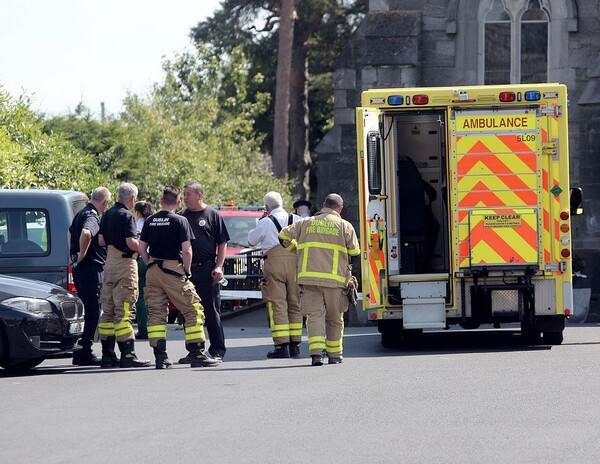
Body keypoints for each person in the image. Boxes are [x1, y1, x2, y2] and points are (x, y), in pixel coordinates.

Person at [138, 185, 218, 369]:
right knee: (193, 309)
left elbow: (141, 248)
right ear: (178, 202)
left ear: (161, 201)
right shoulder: (180, 220)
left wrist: (149, 261)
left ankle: (160, 357)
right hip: (173, 269)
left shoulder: (150, 220)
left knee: (157, 313)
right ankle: (197, 352)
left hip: (153, 270)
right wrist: (187, 271)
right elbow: (187, 250)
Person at [279, 193, 360, 366]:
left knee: (314, 316)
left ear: (323, 204)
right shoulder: (345, 226)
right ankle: (335, 355)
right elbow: (355, 254)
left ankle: (316, 354)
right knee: (334, 318)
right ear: (340, 208)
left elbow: (283, 237)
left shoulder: (305, 222)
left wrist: (297, 250)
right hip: (335, 281)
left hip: (309, 279)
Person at [97, 183, 150, 369]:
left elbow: (101, 240)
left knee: (108, 310)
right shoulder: (127, 215)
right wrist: (143, 247)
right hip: (125, 264)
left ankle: (107, 355)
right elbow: (130, 241)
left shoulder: (107, 214)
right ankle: (128, 354)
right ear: (133, 198)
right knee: (125, 309)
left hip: (109, 263)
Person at [177, 181, 229, 363]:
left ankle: (217, 350)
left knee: (211, 311)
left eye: (188, 195)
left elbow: (222, 243)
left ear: (199, 195)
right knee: (189, 312)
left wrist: (218, 266)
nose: (185, 199)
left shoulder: (212, 215)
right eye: (184, 195)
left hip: (207, 269)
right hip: (187, 270)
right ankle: (194, 350)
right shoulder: (181, 216)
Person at [248, 191, 303, 358]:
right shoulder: (297, 220)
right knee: (295, 303)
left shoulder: (265, 222)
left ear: (266, 207)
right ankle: (295, 345)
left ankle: (282, 346)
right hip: (295, 264)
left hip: (274, 264)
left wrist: (262, 219)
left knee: (277, 304)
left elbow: (251, 241)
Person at [68, 186, 111, 366]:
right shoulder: (92, 216)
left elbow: (70, 232)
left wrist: (73, 254)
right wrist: (82, 255)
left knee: (87, 310)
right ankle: (85, 350)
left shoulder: (81, 212)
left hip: (81, 269)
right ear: (105, 202)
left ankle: (80, 351)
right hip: (91, 269)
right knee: (93, 311)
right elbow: (86, 233)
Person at [134, 200, 153, 339]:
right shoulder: (154, 222)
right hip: (154, 261)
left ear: (137, 212)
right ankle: (156, 327)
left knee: (140, 297)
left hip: (140, 260)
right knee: (154, 296)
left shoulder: (135, 224)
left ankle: (143, 329)